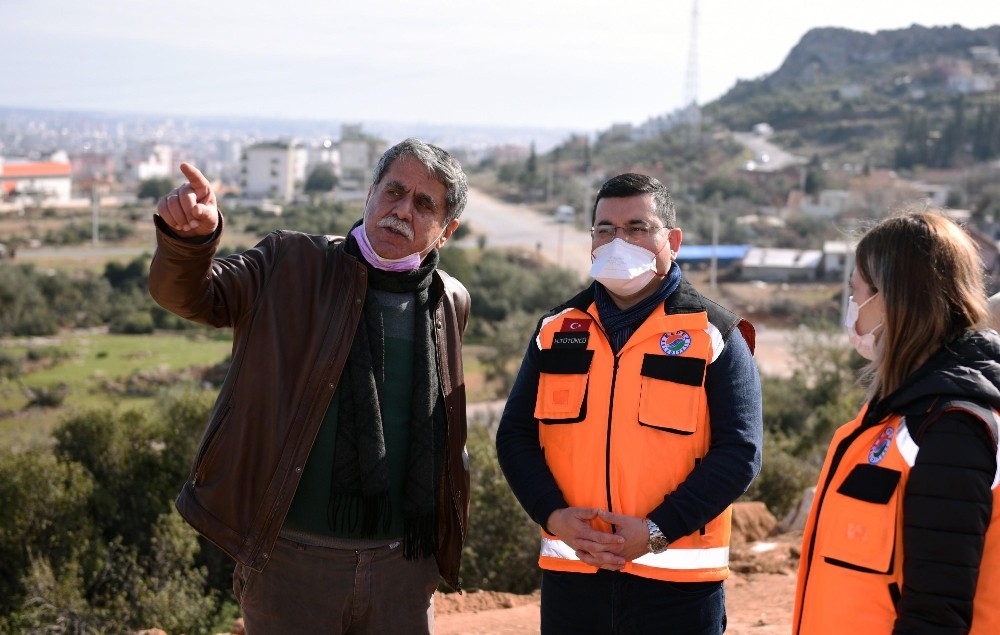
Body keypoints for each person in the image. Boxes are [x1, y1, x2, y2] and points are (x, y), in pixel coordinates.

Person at [149, 138, 471, 634]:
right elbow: (194, 296)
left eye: (424, 204)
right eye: (393, 191)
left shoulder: (449, 300)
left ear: (445, 231)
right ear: (369, 193)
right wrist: (189, 242)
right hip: (290, 564)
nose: (401, 210)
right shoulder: (291, 262)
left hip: (403, 570)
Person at [495, 173, 763, 635]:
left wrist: (657, 531)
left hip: (677, 587)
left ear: (672, 241)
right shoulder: (555, 331)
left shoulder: (714, 335)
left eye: (637, 228)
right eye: (605, 230)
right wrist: (554, 516)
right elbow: (515, 437)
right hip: (573, 581)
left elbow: (740, 453)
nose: (618, 241)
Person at [793, 211, 1000, 634]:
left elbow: (936, 613)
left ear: (895, 298)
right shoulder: (901, 415)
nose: (852, 311)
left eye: (857, 293)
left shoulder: (952, 430)